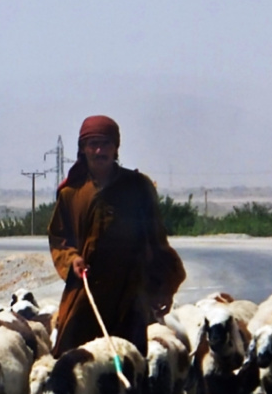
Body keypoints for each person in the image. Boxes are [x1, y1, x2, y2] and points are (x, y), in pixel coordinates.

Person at [48, 115, 186, 359]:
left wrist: (164, 287)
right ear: (82, 149)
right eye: (92, 144)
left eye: (105, 144)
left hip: (129, 294)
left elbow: (156, 241)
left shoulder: (138, 187)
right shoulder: (70, 193)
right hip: (86, 292)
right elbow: (59, 238)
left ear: (116, 148)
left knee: (129, 362)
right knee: (72, 362)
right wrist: (72, 259)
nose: (99, 150)